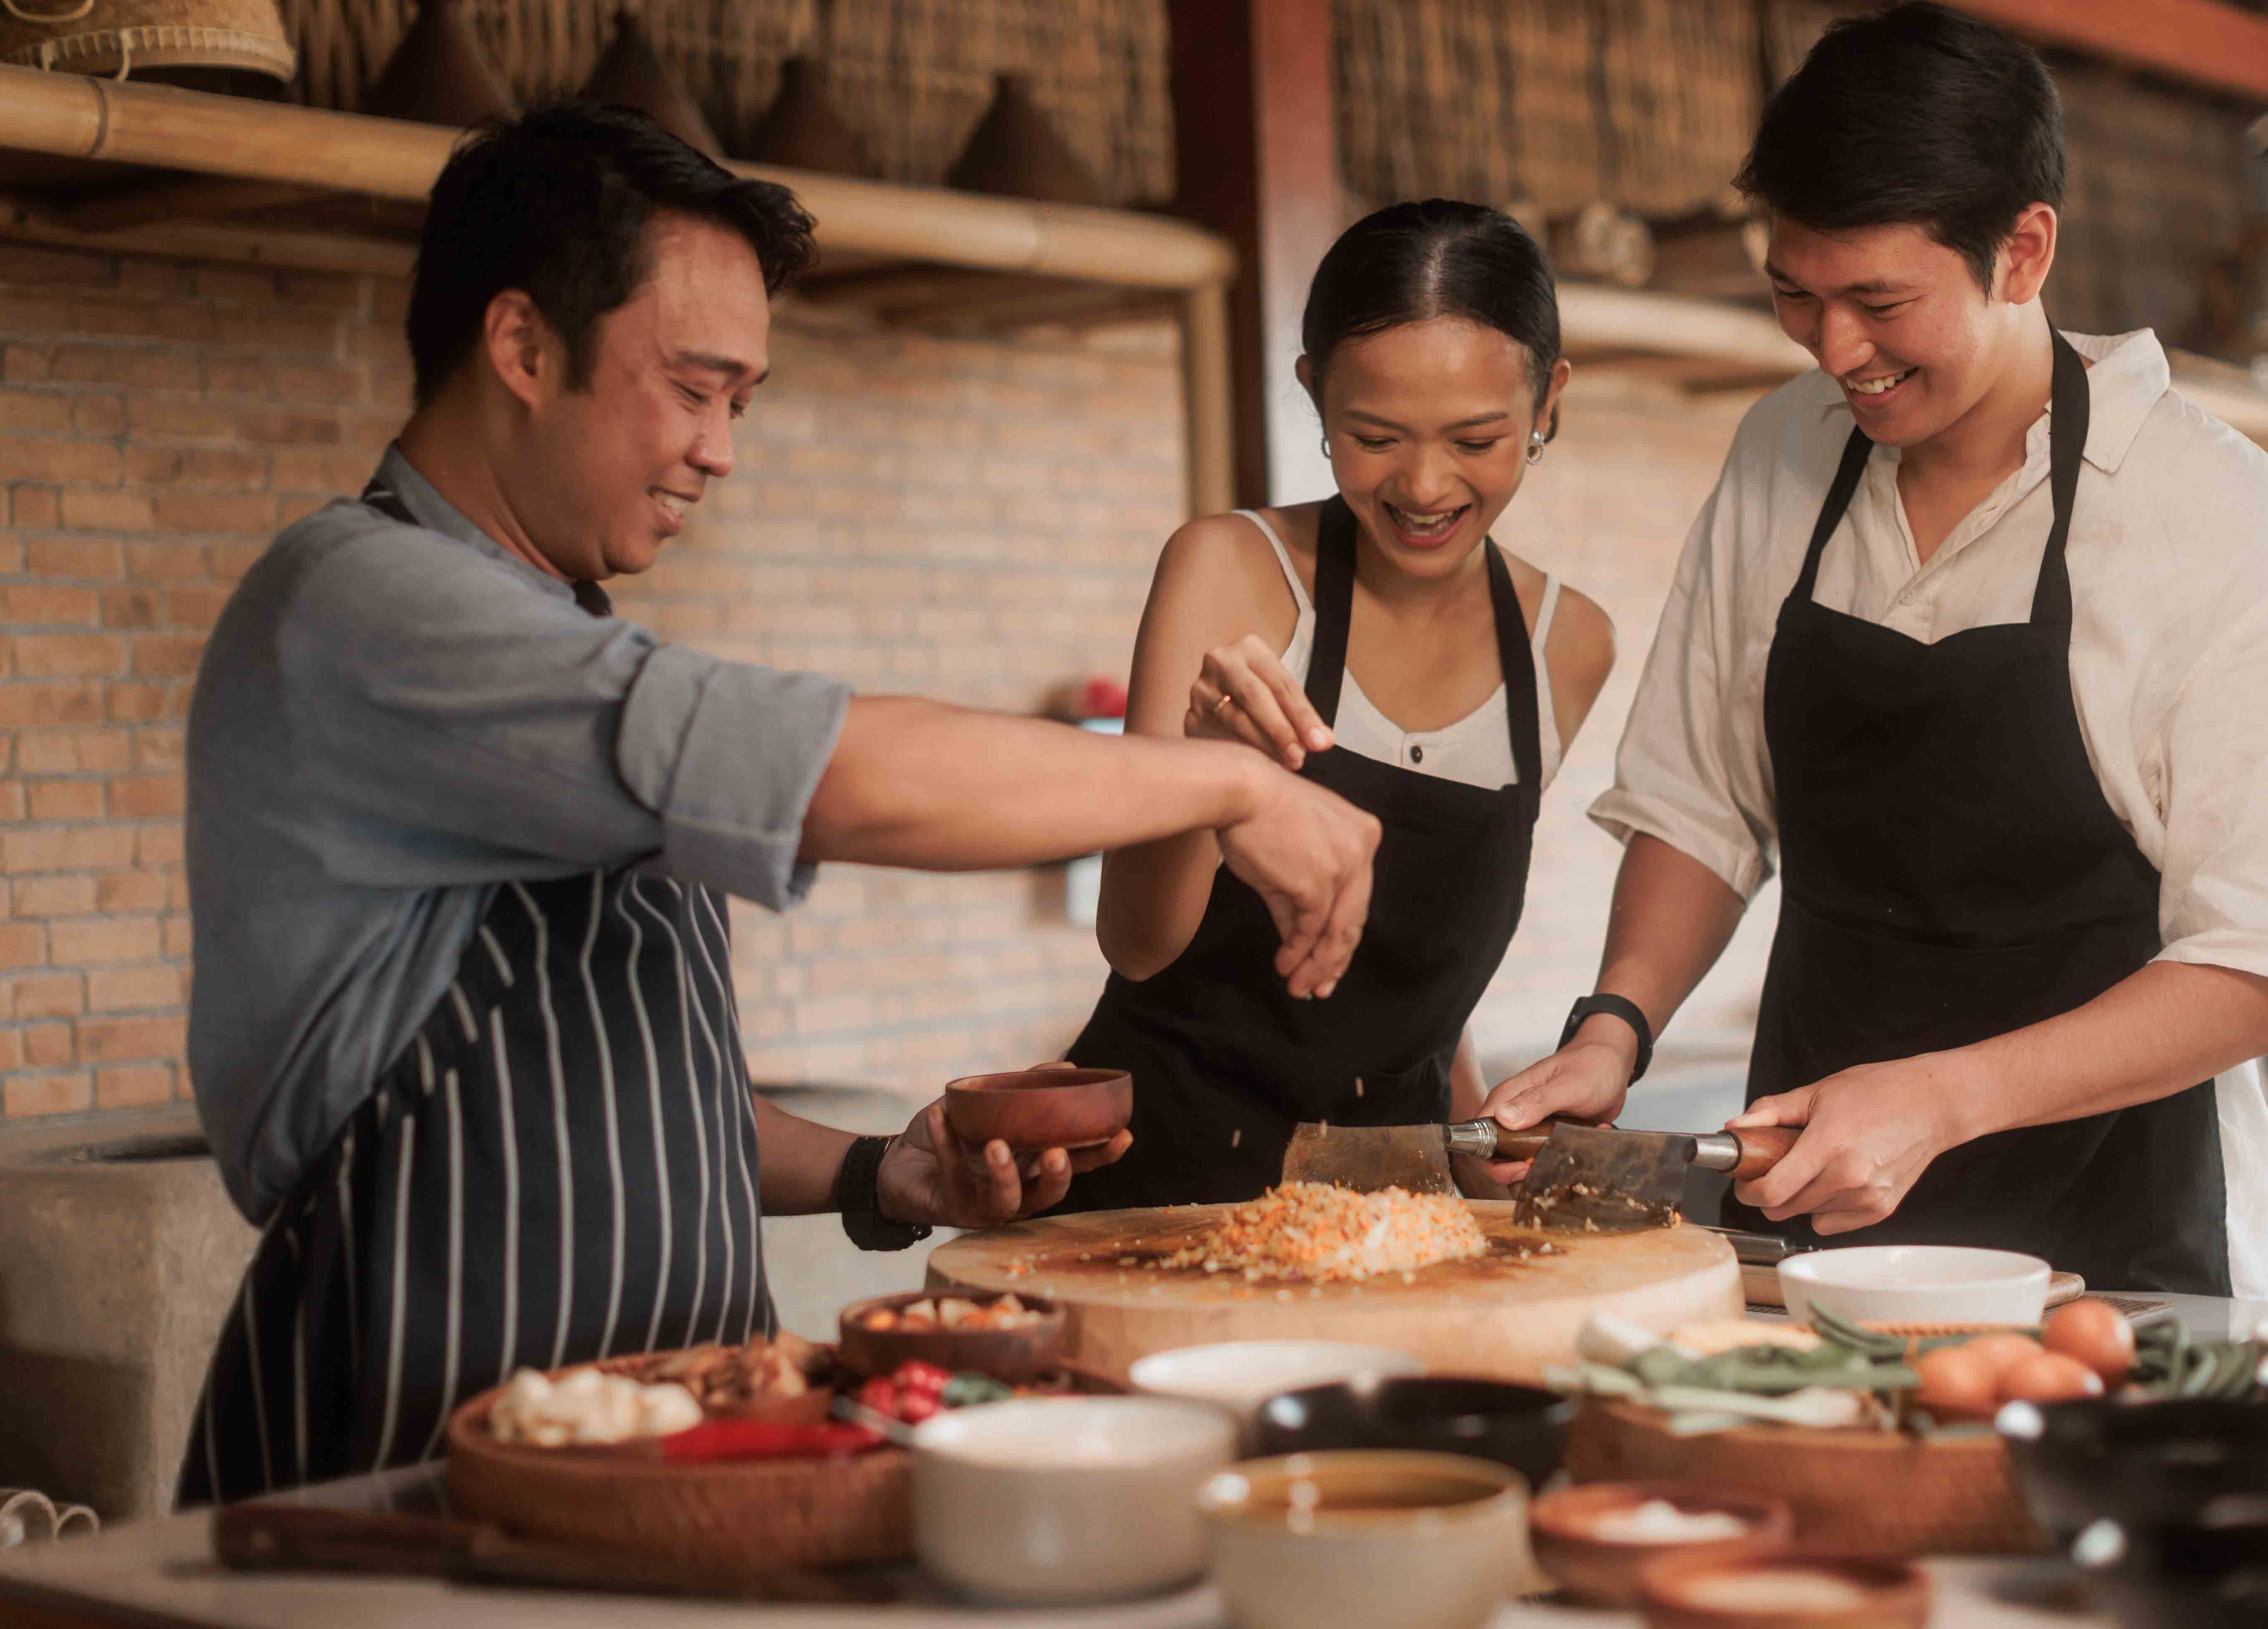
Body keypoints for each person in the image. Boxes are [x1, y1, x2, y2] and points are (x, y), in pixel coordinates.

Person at [177, 103, 1379, 1503]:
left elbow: (622, 1104)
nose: (721, 451)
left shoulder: (550, 637)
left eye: (741, 405)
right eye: (694, 390)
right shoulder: (369, 606)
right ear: (521, 347)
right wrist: (1227, 781)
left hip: (664, 1440)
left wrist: (889, 1173)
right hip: (408, 1451)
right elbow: (848, 777)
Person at [1479, 4, 2268, 1299]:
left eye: (1881, 302)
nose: (1838, 354)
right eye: (1797, 295)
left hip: (2120, 1259)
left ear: (2023, 250)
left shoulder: (2208, 515)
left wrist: (1944, 1102)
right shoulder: (1785, 451)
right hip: (1809, 1246)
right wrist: (1616, 1027)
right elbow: (1702, 805)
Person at [1056, 201, 1616, 1210]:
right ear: (1314, 394)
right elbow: (1136, 944)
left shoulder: (1569, 643)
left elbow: (1412, 994)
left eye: (1477, 438)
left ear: (1548, 403)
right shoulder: (1231, 569)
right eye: (1374, 436)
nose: (1425, 483)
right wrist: (1207, 774)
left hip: (1389, 1213)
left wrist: (1477, 1133)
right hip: (1153, 1192)